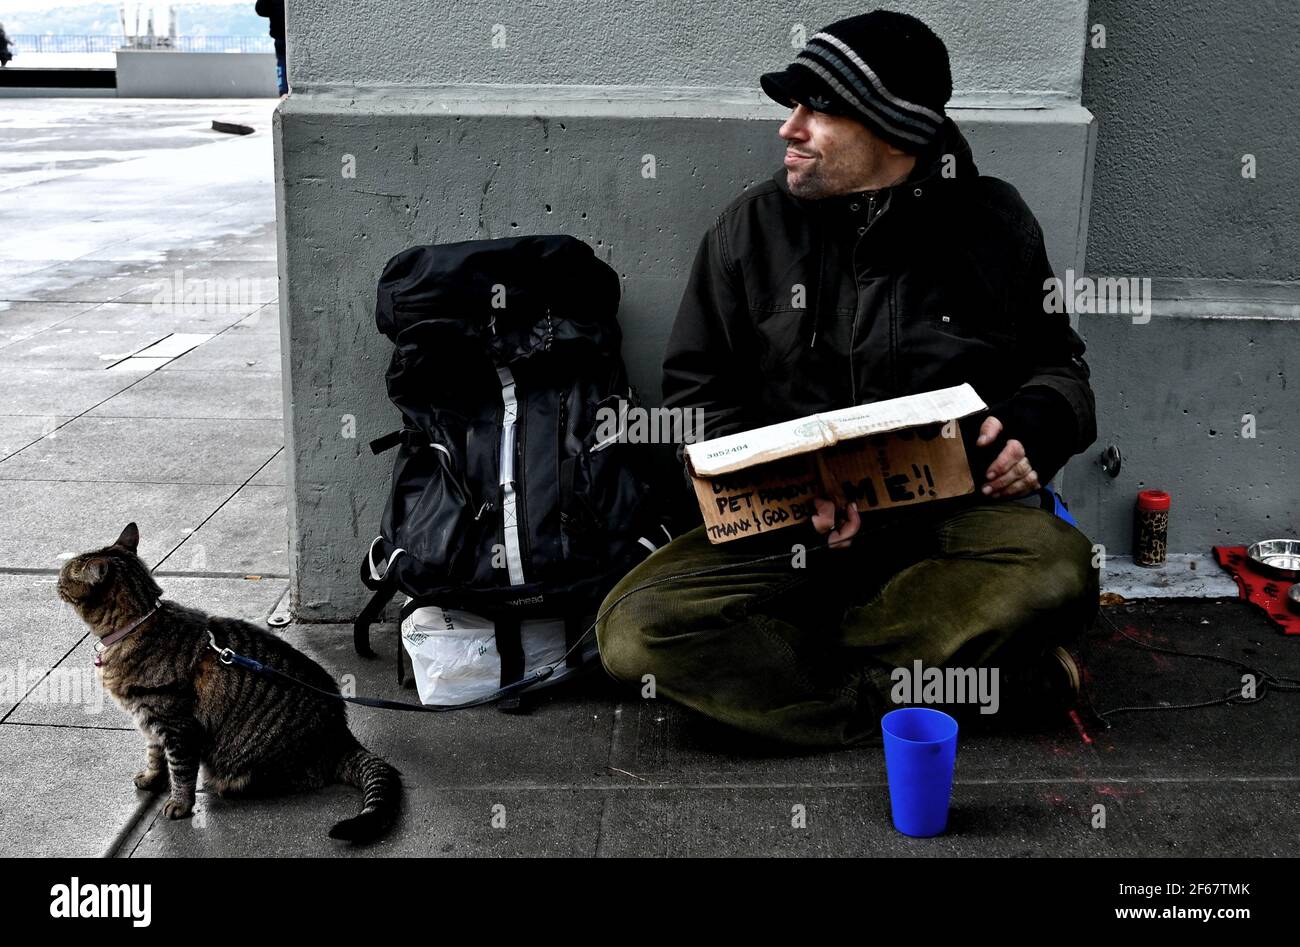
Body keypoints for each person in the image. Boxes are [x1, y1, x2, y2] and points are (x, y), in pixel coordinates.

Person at [595, 10, 1101, 748]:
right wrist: (790, 493)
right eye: (790, 108)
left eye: (817, 109)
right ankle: (960, 690)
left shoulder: (995, 223)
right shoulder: (752, 229)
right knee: (633, 633)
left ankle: (812, 687)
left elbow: (1060, 363)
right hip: (790, 529)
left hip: (947, 526)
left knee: (1060, 569)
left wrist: (1037, 423)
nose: (788, 129)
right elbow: (697, 403)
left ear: (889, 127)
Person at [255, 0, 287, 97]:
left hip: (280, 34)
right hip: (295, 35)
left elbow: (260, 9)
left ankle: (284, 93)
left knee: (282, 63)